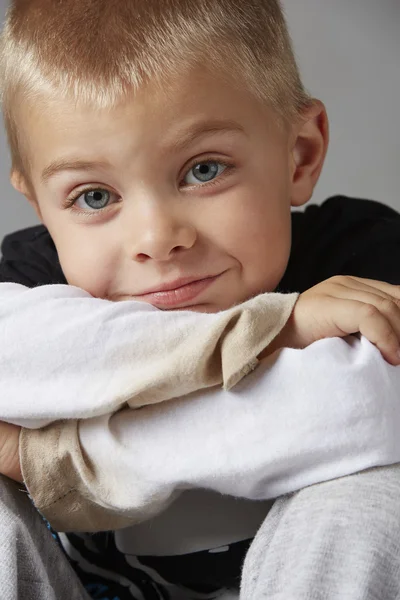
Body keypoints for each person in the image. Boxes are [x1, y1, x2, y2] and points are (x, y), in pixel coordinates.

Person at [1, 0, 400, 598]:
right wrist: (275, 330)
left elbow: (365, 413)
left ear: (301, 154)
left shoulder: (362, 258)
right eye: (92, 197)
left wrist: (54, 460)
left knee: (371, 497)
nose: (158, 239)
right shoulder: (31, 282)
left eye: (205, 169)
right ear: (39, 205)